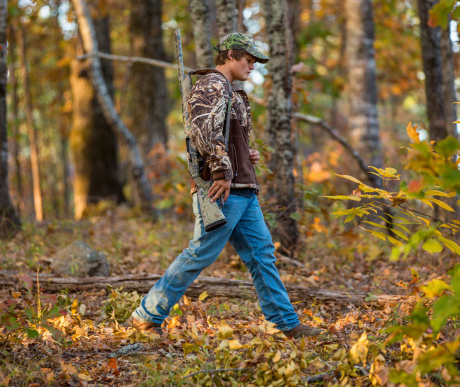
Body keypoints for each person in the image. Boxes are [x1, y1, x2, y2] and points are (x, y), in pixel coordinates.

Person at [126, 33, 324, 339]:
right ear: (231, 55)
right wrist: (221, 172)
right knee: (200, 254)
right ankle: (147, 314)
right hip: (223, 190)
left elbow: (223, 136)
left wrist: (245, 154)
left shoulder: (229, 90)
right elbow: (203, 131)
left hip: (243, 189)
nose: (253, 67)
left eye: (256, 62)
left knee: (262, 255)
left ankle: (284, 322)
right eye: (249, 60)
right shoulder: (211, 84)